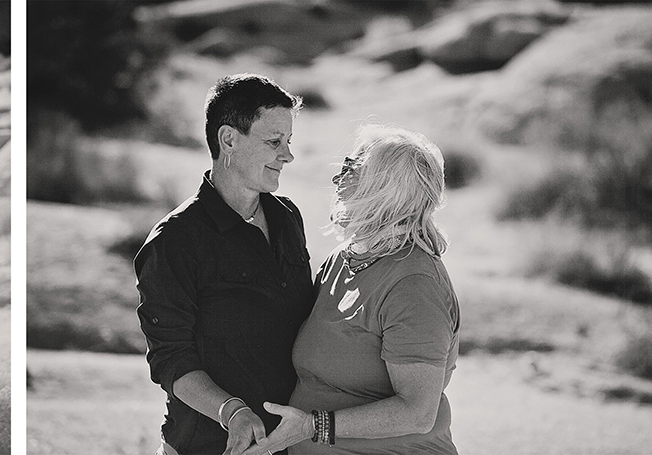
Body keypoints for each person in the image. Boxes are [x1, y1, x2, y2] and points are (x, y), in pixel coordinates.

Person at [244, 124, 461, 454]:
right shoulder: (343, 258)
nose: (337, 179)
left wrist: (314, 426)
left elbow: (417, 413)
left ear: (384, 186)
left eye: (351, 168)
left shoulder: (415, 285)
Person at [135, 73, 314, 455]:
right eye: (274, 142)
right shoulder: (175, 240)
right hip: (208, 446)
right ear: (229, 140)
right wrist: (232, 412)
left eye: (288, 142)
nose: (287, 155)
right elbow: (171, 359)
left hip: (288, 443)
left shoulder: (287, 219)